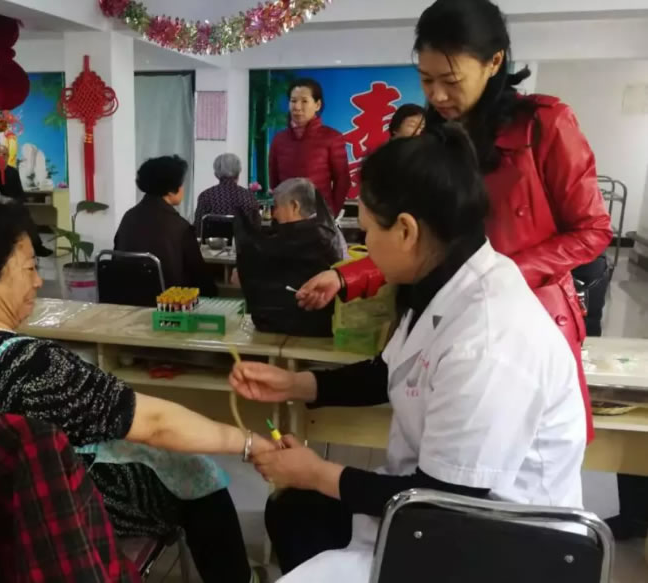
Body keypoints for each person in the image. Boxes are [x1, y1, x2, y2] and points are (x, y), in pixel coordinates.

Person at [231, 125, 586, 581]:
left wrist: (316, 472)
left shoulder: (488, 339)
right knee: (295, 511)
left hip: (496, 541)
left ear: (405, 230)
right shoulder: (446, 284)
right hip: (438, 508)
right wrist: (296, 384)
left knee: (308, 507)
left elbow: (445, 502)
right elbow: (392, 370)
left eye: (366, 230)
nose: (363, 247)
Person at [296, 0, 612, 442]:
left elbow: (593, 230)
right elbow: (417, 239)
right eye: (427, 80)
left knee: (518, 448)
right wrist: (345, 276)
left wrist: (497, 277)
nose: (438, 96)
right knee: (447, 440)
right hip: (451, 313)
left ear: (494, 62)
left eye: (451, 81)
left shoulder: (545, 125)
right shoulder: (436, 138)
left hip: (529, 316)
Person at [0, 199, 270, 583]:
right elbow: (154, 422)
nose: (38, 281)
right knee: (198, 473)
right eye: (30, 268)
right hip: (62, 505)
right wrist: (249, 443)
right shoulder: (27, 364)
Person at [235, 178, 344, 337]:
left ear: (294, 206)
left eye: (277, 206)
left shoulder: (311, 240)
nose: (274, 214)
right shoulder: (330, 234)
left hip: (294, 333)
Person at [116, 155, 217, 296]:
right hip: (169, 301)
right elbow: (199, 276)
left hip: (125, 298)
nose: (182, 189)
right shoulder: (180, 227)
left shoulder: (128, 217)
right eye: (181, 184)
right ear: (171, 190)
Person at [269, 78, 351, 216]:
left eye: (304, 101)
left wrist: (331, 213)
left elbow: (343, 181)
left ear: (317, 105)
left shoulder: (332, 137)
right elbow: (274, 181)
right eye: (293, 101)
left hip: (319, 216)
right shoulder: (279, 139)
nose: (297, 107)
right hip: (286, 217)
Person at [194, 153, 260, 236]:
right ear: (239, 171)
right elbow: (257, 228)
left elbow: (198, 227)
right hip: (243, 243)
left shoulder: (206, 196)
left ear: (216, 174)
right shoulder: (249, 197)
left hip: (214, 243)